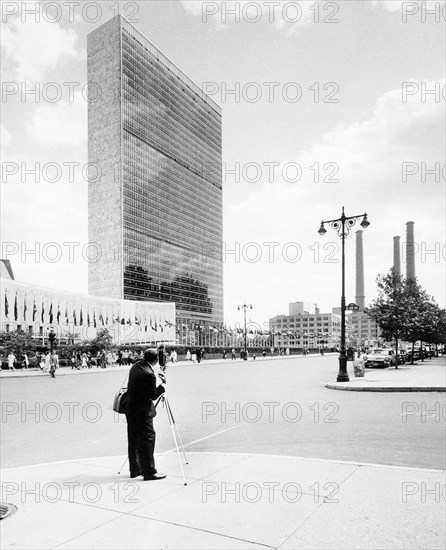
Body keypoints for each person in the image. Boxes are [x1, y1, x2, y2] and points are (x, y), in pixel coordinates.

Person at [124, 348, 166, 481]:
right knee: (148, 439)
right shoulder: (149, 374)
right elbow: (153, 395)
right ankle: (149, 471)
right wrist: (162, 384)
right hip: (142, 411)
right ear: (155, 360)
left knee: (133, 439)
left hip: (131, 409)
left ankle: (135, 469)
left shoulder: (136, 366)